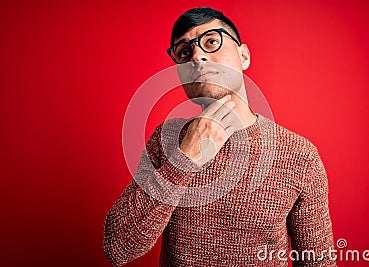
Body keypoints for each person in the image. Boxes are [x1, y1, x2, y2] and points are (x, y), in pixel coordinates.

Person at [103, 7, 336, 267]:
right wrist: (185, 157)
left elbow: (319, 262)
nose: (198, 56)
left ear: (244, 56)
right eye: (184, 52)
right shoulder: (166, 139)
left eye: (212, 41)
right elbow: (118, 247)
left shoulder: (299, 155)